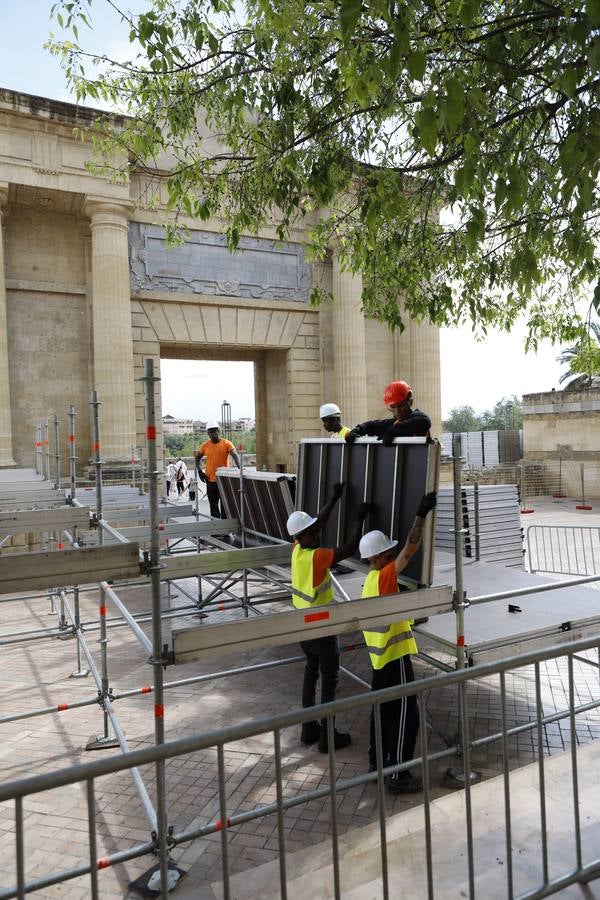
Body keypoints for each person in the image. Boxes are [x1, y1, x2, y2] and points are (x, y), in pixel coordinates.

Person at [358, 491, 437, 794]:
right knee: (407, 715)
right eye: (386, 554)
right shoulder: (383, 577)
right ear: (377, 558)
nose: (391, 557)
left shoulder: (368, 583)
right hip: (395, 658)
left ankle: (376, 762)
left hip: (379, 663)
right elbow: (410, 550)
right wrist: (421, 514)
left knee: (383, 712)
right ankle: (399, 776)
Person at [287, 485, 372, 753]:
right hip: (322, 627)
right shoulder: (317, 557)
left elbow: (316, 523)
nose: (319, 532)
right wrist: (359, 520)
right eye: (314, 531)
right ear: (304, 536)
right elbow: (347, 550)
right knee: (330, 677)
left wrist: (334, 499)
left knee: (311, 674)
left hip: (303, 628)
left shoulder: (297, 550)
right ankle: (328, 736)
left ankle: (308, 728)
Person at [345, 381, 431, 446]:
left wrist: (393, 432)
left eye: (401, 406)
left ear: (410, 402)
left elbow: (424, 421)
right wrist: (358, 430)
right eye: (393, 407)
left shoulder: (417, 419)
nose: (397, 411)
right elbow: (372, 425)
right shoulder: (393, 424)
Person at [195, 421, 240, 518]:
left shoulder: (226, 443)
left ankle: (224, 528)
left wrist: (240, 468)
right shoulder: (205, 445)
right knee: (213, 504)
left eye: (215, 431)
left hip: (223, 480)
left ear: (218, 431)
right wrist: (199, 471)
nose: (213, 434)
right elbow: (197, 457)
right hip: (210, 480)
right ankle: (216, 527)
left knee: (225, 505)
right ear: (208, 433)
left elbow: (234, 454)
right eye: (210, 432)